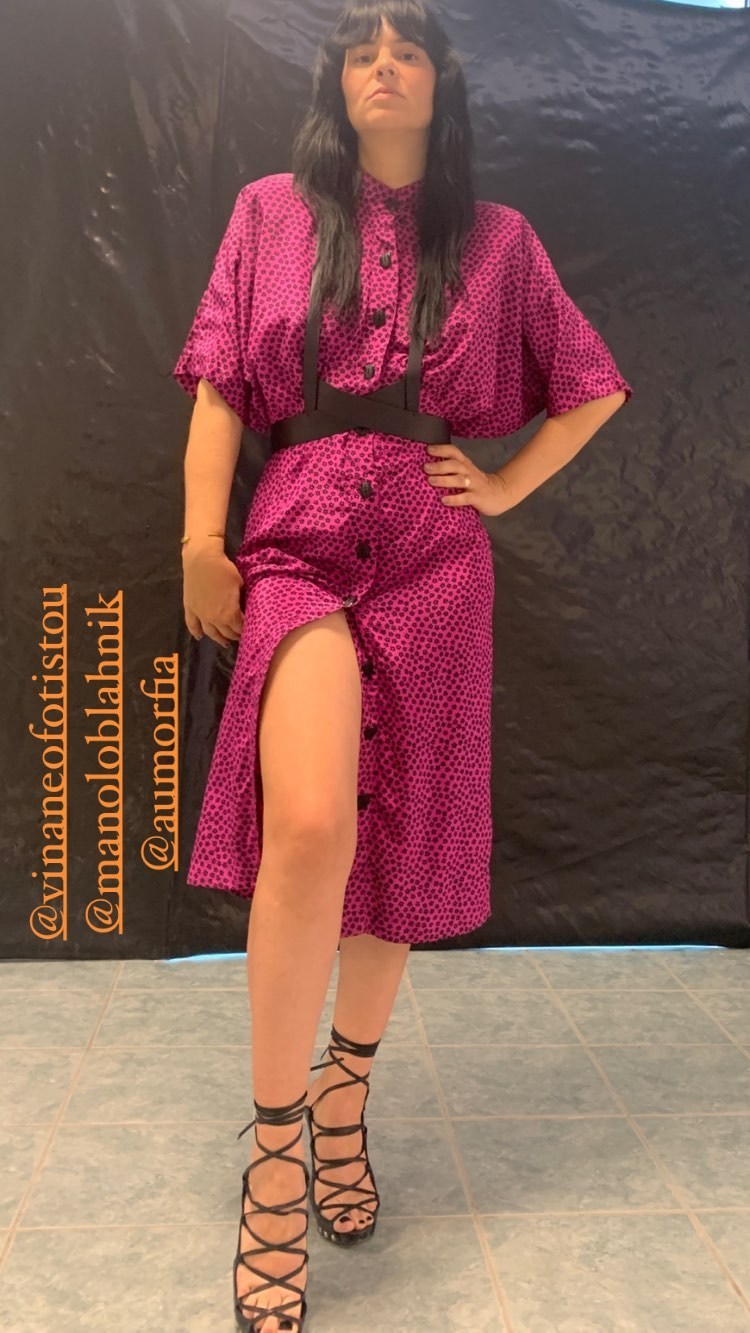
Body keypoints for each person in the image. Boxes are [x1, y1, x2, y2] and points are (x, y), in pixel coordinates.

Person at [173, 2, 633, 1328]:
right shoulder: (269, 212)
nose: (383, 61)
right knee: (314, 821)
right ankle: (275, 1154)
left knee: (400, 836)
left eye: (409, 45)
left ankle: (346, 1099)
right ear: (336, 79)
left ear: (439, 80)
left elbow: (593, 385)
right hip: (300, 537)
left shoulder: (497, 240)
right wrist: (200, 538)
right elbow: (218, 384)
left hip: (435, 556)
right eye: (361, 45)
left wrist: (504, 484)